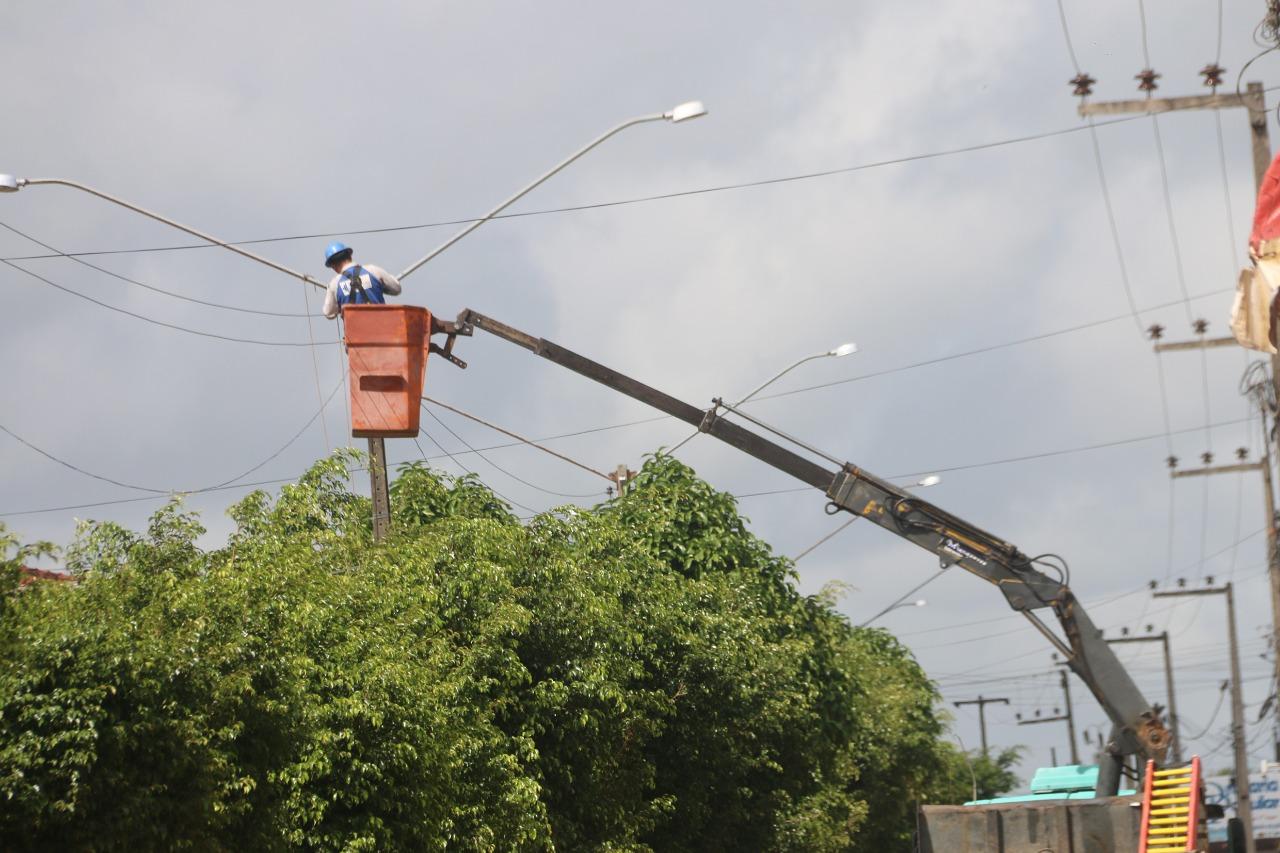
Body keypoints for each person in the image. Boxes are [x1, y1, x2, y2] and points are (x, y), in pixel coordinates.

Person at [321, 241, 402, 319]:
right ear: (350, 256)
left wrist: (339, 306)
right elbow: (396, 289)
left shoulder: (334, 284)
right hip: (382, 327)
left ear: (333, 266)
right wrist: (378, 287)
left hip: (354, 331)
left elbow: (328, 313)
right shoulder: (373, 270)